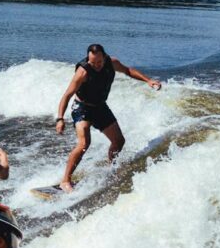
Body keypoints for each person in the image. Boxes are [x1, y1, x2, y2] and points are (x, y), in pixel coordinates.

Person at [53, 43, 161, 192]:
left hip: (100, 107)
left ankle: (111, 170)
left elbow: (128, 71)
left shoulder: (112, 62)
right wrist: (60, 119)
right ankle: (65, 181)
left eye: (99, 62)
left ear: (104, 57)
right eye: (92, 62)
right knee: (84, 143)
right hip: (82, 108)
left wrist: (148, 80)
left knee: (119, 141)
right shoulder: (82, 72)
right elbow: (67, 95)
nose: (96, 65)